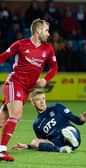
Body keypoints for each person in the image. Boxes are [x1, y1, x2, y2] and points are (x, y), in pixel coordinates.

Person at [0, 18, 58, 161]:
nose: (48, 34)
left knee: (2, 121)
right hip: (15, 83)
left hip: (27, 89)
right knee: (16, 114)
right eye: (46, 30)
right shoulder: (21, 44)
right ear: (38, 30)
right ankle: (1, 151)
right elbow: (2, 57)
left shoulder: (48, 48)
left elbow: (54, 67)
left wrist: (46, 79)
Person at [12, 89, 86, 153]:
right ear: (33, 103)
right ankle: (62, 149)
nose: (42, 102)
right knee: (34, 142)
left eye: (43, 98)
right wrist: (28, 146)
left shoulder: (57, 107)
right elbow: (44, 142)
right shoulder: (36, 124)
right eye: (38, 100)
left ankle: (71, 140)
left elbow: (75, 119)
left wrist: (81, 120)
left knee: (67, 130)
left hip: (71, 131)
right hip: (57, 143)